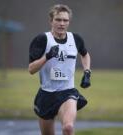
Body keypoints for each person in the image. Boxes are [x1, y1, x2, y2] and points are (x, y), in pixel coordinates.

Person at [28, 4, 91, 135]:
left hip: (67, 92)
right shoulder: (42, 40)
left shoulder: (76, 39)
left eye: (65, 20)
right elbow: (31, 69)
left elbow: (85, 54)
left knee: (68, 128)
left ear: (69, 22)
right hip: (46, 94)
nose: (62, 23)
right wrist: (47, 56)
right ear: (51, 21)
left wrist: (87, 72)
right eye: (58, 20)